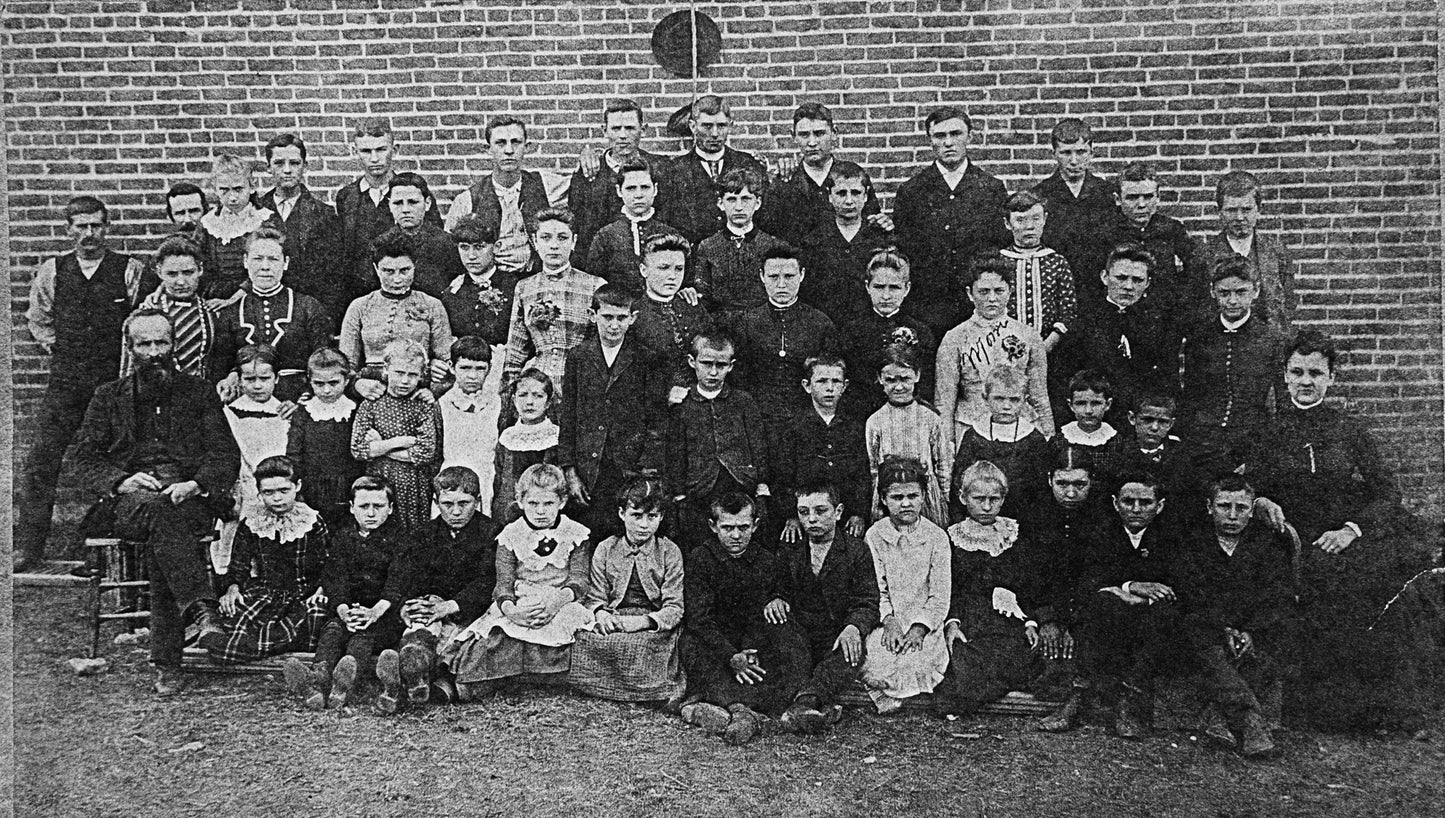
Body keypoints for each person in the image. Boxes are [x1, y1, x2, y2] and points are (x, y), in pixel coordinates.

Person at [1246, 329, 1439, 729]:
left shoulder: (1349, 430)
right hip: (1287, 538)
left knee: (1368, 590)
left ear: (1331, 378)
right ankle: (1312, 711)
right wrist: (1261, 501)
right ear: (1284, 376)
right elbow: (1246, 486)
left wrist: (1352, 529)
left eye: (1316, 373)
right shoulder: (1267, 431)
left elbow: (1386, 492)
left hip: (1341, 537)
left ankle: (1368, 708)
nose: (1305, 382)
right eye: (1297, 372)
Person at [71, 309, 238, 694]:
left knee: (167, 530)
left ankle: (169, 664)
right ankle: (200, 613)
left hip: (188, 499)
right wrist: (122, 480)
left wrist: (196, 484)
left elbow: (223, 454)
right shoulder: (108, 397)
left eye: (161, 342)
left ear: (173, 344)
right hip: (130, 504)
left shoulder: (198, 392)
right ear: (130, 349)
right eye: (144, 344)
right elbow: (81, 459)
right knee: (164, 521)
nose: (154, 352)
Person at [17, 195, 154, 572]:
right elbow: (38, 318)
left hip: (114, 384)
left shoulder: (130, 270)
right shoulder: (53, 271)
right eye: (81, 226)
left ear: (106, 228)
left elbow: (144, 322)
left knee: (118, 462)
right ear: (69, 229)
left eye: (96, 225)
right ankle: (30, 546)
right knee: (41, 461)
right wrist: (58, 348)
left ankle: (99, 550)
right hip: (67, 384)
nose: (89, 233)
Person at [443, 464, 593, 698]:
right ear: (520, 501)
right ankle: (476, 681)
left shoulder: (575, 534)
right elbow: (503, 583)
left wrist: (555, 603)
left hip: (561, 598)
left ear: (562, 502)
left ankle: (534, 677)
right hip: (521, 599)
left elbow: (579, 580)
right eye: (533, 503)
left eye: (548, 503)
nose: (540, 511)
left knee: (571, 633)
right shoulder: (510, 535)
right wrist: (511, 611)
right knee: (498, 635)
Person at [1053, 470, 1183, 739]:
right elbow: (1087, 579)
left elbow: (1179, 584)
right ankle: (1079, 695)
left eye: (1145, 503)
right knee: (1103, 602)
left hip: (1155, 622)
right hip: (1111, 618)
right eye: (1128, 502)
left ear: (1159, 507)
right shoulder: (1099, 532)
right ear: (1115, 503)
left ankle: (1129, 701)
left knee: (1163, 611)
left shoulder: (1174, 537)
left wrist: (1141, 595)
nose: (1135, 509)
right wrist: (1129, 586)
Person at [679, 492, 810, 745]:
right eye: (727, 528)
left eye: (743, 527)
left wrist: (778, 598)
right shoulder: (701, 559)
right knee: (691, 645)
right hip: (718, 643)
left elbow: (782, 591)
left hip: (754, 642)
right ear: (713, 526)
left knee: (790, 634)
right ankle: (741, 711)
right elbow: (699, 619)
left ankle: (752, 710)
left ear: (756, 526)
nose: (736, 536)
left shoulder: (767, 560)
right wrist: (731, 655)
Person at [1175, 474, 1290, 757]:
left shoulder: (1266, 544)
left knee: (1283, 630)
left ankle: (1219, 716)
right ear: (1209, 507)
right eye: (1224, 506)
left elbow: (1275, 594)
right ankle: (1249, 720)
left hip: (1252, 627)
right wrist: (1224, 629)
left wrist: (1250, 631)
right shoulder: (1192, 543)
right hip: (1209, 629)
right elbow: (1192, 593)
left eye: (1241, 508)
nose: (1233, 515)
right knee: (1194, 629)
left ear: (1252, 511)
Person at [935, 461, 1057, 717]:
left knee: (1022, 651)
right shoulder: (951, 537)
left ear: (1003, 500)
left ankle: (990, 686)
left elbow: (1029, 585)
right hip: (970, 616)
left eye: (994, 499)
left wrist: (1031, 622)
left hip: (1010, 616)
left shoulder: (1014, 535)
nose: (987, 506)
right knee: (965, 655)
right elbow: (949, 586)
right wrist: (953, 622)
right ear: (963, 498)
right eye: (979, 499)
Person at [373, 466, 500, 712]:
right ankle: (414, 667)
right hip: (433, 605)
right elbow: (408, 576)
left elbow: (488, 581)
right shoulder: (424, 534)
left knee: (455, 644)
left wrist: (449, 607)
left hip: (470, 610)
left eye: (464, 503)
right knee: (420, 626)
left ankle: (402, 683)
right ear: (435, 502)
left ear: (478, 501)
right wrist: (409, 605)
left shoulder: (491, 533)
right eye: (447, 503)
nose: (455, 511)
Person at [558, 284, 667, 538]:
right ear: (592, 315)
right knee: (589, 534)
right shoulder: (579, 357)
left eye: (621, 318)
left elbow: (657, 419)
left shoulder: (647, 359)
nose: (614, 325)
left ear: (633, 319)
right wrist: (570, 470)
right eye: (607, 317)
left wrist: (645, 471)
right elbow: (569, 417)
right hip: (590, 469)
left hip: (629, 467)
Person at [290, 475, 407, 710]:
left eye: (378, 506)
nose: (371, 513)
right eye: (364, 507)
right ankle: (317, 679)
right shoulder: (343, 539)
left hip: (382, 615)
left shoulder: (400, 541)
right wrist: (343, 610)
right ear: (352, 508)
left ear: (391, 508)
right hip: (349, 611)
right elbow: (336, 578)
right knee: (332, 631)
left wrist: (373, 613)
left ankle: (342, 685)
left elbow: (398, 582)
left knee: (362, 640)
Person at [773, 483, 881, 734]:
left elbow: (867, 600)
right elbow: (777, 586)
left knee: (849, 653)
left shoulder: (856, 550)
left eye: (820, 511)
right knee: (782, 636)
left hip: (835, 630)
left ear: (838, 512)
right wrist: (776, 598)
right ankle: (810, 706)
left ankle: (804, 703)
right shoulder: (791, 546)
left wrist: (854, 626)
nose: (811, 519)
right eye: (803, 512)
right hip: (799, 630)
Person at [570, 477, 688, 705]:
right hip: (615, 616)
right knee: (586, 640)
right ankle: (603, 687)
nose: (644, 525)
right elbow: (595, 595)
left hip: (650, 622)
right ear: (622, 513)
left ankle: (651, 694)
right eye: (636, 515)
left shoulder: (669, 552)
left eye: (652, 517)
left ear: (661, 517)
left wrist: (644, 622)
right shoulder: (606, 548)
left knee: (642, 645)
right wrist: (601, 614)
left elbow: (674, 607)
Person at [893, 105, 1008, 335]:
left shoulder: (991, 189)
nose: (948, 142)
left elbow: (999, 248)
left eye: (955, 134)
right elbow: (904, 251)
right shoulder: (912, 191)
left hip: (977, 308)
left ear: (969, 137)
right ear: (930, 141)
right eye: (940, 136)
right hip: (926, 310)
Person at [210, 455, 329, 665]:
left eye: (284, 490)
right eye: (268, 492)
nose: (277, 499)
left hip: (304, 596)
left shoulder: (312, 521)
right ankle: (279, 644)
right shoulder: (252, 523)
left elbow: (329, 565)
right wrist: (233, 588)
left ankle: (245, 646)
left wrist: (319, 591)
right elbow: (239, 565)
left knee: (316, 615)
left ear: (297, 486)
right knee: (233, 613)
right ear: (259, 492)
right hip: (267, 595)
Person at [1022, 445, 1111, 723]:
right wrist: (1047, 619)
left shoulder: (1104, 519)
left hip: (1085, 610)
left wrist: (1075, 623)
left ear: (1091, 483)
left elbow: (1100, 576)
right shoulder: (1033, 516)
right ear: (1049, 479)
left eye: (1080, 484)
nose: (1071, 493)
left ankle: (1078, 700)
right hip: (1042, 609)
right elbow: (1029, 574)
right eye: (1062, 484)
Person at [1179, 256, 1291, 474]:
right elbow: (1191, 394)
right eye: (1224, 293)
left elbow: (1283, 400)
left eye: (1240, 292)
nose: (1232, 301)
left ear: (1255, 291)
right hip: (1203, 441)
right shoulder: (1200, 336)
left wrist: (1262, 454)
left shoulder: (1271, 339)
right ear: (1213, 292)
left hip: (1250, 442)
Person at [727, 245, 837, 462]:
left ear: (802, 275)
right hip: (759, 424)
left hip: (807, 422)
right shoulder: (747, 323)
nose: (781, 284)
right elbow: (738, 378)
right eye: (773, 276)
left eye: (789, 276)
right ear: (761, 276)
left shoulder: (820, 323)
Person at [859, 457, 953, 713]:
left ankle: (904, 695)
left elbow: (940, 595)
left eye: (913, 495)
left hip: (925, 623)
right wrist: (888, 621)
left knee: (918, 661)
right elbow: (877, 588)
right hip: (889, 620)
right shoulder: (875, 535)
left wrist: (919, 628)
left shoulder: (937, 537)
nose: (906, 503)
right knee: (877, 660)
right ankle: (889, 696)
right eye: (897, 497)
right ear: (883, 499)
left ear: (923, 496)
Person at [664, 327, 773, 547]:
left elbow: (759, 445)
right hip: (699, 491)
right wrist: (679, 495)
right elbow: (675, 453)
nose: (713, 372)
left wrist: (761, 484)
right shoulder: (682, 405)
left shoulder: (743, 402)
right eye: (706, 364)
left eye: (721, 365)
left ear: (731, 366)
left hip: (741, 483)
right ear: (692, 361)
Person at [935, 258, 1054, 451]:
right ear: (970, 294)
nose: (992, 298)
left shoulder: (1028, 335)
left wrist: (1049, 437)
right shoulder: (954, 338)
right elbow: (944, 402)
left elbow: (1039, 395)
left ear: (1010, 291)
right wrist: (946, 448)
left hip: (1020, 429)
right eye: (983, 292)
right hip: (970, 429)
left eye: (999, 291)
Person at [209, 226, 333, 404]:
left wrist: (306, 399)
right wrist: (230, 378)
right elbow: (220, 365)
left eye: (273, 259)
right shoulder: (232, 312)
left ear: (286, 263)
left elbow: (323, 362)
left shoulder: (308, 307)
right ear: (245, 261)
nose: (265, 267)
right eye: (257, 259)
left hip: (297, 399)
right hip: (247, 399)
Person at [499, 208, 606, 401]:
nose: (554, 246)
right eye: (546, 238)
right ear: (535, 242)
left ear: (573, 241)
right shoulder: (524, 288)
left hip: (582, 383)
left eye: (562, 238)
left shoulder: (594, 285)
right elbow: (516, 349)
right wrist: (509, 393)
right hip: (538, 387)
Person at [334, 118, 442, 304]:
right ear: (355, 152)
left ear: (395, 149)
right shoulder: (347, 197)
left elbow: (432, 244)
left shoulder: (412, 193)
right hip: (361, 296)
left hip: (407, 293)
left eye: (381, 149)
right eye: (366, 151)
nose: (374, 159)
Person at [443, 115, 564, 276]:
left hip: (537, 279)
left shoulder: (546, 185)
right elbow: (450, 250)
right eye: (500, 143)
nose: (509, 150)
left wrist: (588, 156)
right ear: (488, 149)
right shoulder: (468, 200)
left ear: (526, 147)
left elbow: (587, 186)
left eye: (515, 142)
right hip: (492, 284)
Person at [339, 229, 454, 397]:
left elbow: (447, 360)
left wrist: (435, 382)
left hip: (417, 390)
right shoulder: (360, 306)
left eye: (405, 270)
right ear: (376, 269)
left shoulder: (432, 305)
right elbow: (346, 364)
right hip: (373, 391)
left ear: (415, 266)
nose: (397, 279)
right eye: (388, 271)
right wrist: (358, 384)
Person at [1073, 243, 1178, 424]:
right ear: (1105, 277)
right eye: (1121, 278)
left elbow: (1167, 380)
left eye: (1137, 280)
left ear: (1147, 283)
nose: (1128, 286)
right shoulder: (1084, 323)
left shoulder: (1159, 325)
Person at [760, 103, 886, 249]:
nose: (812, 142)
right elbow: (769, 231)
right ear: (793, 136)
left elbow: (871, 223)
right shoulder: (785, 181)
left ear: (834, 133)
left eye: (819, 133)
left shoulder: (853, 177)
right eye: (804, 135)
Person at [774, 355, 869, 544]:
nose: (830, 388)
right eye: (822, 381)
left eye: (836, 381)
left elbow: (861, 474)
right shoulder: (793, 427)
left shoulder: (854, 427)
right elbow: (783, 476)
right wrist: (791, 515)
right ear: (807, 385)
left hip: (844, 517)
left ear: (845, 386)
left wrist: (858, 513)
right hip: (805, 518)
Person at [349, 339, 442, 531]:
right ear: (386, 369)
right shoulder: (371, 403)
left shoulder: (423, 405)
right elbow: (358, 449)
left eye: (412, 375)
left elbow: (425, 452)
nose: (405, 381)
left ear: (421, 375)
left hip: (413, 485)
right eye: (399, 373)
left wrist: (380, 446)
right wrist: (400, 442)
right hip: (378, 481)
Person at [568, 99, 670, 266]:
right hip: (598, 264)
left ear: (642, 130)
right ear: (605, 131)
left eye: (630, 128)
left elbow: (668, 218)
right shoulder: (588, 172)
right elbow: (577, 224)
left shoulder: (660, 168)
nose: (623, 136)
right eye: (616, 128)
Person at [656, 94, 767, 246]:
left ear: (730, 125)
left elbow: (764, 218)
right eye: (707, 126)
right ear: (693, 126)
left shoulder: (749, 165)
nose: (714, 134)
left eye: (721, 126)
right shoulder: (673, 171)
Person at [257, 133, 344, 325]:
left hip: (309, 314)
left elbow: (334, 278)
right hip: (264, 312)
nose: (287, 170)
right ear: (268, 167)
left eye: (294, 163)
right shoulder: (256, 211)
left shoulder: (325, 215)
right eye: (279, 163)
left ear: (305, 166)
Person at [837, 248, 936, 414]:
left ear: (907, 288)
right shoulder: (851, 331)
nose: (886, 296)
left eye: (894, 288)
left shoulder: (921, 332)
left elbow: (926, 386)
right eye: (879, 287)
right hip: (860, 414)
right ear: (868, 287)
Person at [950, 364, 1052, 522]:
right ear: (985, 398)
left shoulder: (1033, 439)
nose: (1006, 406)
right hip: (981, 516)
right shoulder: (974, 435)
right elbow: (960, 482)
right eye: (999, 399)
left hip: (1023, 517)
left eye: (1014, 400)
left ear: (1024, 400)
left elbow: (1041, 490)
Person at [1194, 170, 1295, 328]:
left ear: (1258, 210)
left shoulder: (1276, 252)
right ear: (1220, 212)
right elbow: (1199, 309)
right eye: (1232, 210)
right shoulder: (1204, 255)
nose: (1239, 218)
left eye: (1247, 210)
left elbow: (1286, 303)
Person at [866, 343, 951, 527]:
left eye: (905, 379)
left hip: (925, 498)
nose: (898, 387)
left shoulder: (930, 418)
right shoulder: (875, 421)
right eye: (890, 380)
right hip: (890, 500)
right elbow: (873, 469)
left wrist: (945, 500)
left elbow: (943, 464)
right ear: (880, 379)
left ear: (917, 376)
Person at [797, 160, 893, 323]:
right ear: (830, 196)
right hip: (827, 325)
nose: (849, 201)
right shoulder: (813, 241)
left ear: (865, 194)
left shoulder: (880, 238)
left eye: (855, 193)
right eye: (841, 193)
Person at [1101, 163, 1200, 320]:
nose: (1141, 205)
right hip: (1120, 316)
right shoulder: (1104, 232)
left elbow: (1197, 267)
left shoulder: (1171, 229)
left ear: (1158, 197)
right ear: (1118, 199)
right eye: (1132, 198)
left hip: (1163, 317)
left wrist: (1179, 300)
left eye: (1148, 197)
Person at [1030, 118, 1118, 291]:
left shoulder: (1107, 193)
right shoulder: (1039, 195)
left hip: (1099, 286)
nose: (1074, 160)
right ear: (1054, 154)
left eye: (1081, 152)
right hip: (1054, 285)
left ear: (1091, 152)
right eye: (1066, 153)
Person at [692, 166, 788, 316]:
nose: (738, 207)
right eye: (731, 200)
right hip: (721, 326)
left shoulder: (774, 245)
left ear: (757, 203)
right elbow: (703, 295)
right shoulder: (707, 246)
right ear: (720, 203)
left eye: (746, 199)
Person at [119, 236, 217, 381]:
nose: (181, 281)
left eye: (188, 272)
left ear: (200, 270)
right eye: (172, 274)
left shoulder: (211, 312)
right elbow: (128, 367)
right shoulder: (146, 312)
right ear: (159, 273)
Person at [286, 348, 362, 530]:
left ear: (347, 380)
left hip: (349, 486)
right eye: (319, 384)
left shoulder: (355, 411)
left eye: (334, 383)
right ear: (310, 381)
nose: (327, 390)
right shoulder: (304, 413)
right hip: (313, 488)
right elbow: (294, 453)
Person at [997, 190, 1077, 359]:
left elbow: (1068, 309)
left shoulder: (1057, 262)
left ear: (1045, 219)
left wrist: (1047, 345)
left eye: (1035, 218)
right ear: (1007, 223)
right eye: (1020, 220)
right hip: (1003, 350)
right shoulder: (999, 263)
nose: (1029, 226)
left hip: (1051, 351)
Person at [630, 233, 710, 399]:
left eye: (679, 269)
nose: (672, 276)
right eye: (663, 267)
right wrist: (664, 392)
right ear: (644, 270)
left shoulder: (693, 306)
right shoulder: (633, 315)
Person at [196, 154, 284, 301]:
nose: (232, 197)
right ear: (215, 189)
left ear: (252, 186)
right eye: (224, 190)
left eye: (238, 189)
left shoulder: (266, 220)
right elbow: (192, 260)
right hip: (214, 296)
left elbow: (271, 265)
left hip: (255, 294)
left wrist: (234, 299)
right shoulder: (208, 223)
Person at [221, 344, 291, 529]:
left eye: (264, 378)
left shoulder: (285, 412)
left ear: (276, 378)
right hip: (243, 491)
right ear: (240, 379)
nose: (257, 385)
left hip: (278, 490)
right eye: (250, 379)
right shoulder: (230, 414)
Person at [583, 160, 681, 284]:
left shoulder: (670, 234)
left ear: (655, 189)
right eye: (631, 188)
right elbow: (594, 282)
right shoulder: (605, 236)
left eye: (645, 187)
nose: (638, 195)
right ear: (619, 191)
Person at [440, 214, 519, 363]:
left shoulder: (514, 287)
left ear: (496, 247)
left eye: (479, 247)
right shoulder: (451, 292)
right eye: (464, 248)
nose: (471, 256)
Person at [437, 337, 502, 514]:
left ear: (489, 368)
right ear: (452, 366)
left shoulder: (497, 404)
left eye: (480, 369)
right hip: (450, 483)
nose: (473, 376)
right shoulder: (441, 404)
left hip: (486, 481)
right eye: (465, 368)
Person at [492, 368, 560, 524]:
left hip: (545, 512)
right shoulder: (508, 437)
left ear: (548, 402)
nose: (529, 402)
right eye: (523, 395)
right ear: (514, 400)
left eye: (537, 396)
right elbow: (500, 479)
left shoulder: (556, 436)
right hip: (510, 512)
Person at [383, 171, 465, 298]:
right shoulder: (381, 244)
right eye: (398, 203)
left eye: (413, 202)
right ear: (389, 205)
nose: (405, 209)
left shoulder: (447, 244)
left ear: (427, 203)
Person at [1056, 369, 1126, 470]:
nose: (1088, 410)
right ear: (1070, 405)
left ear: (1107, 404)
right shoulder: (1060, 440)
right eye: (1080, 403)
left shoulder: (1116, 442)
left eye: (1096, 403)